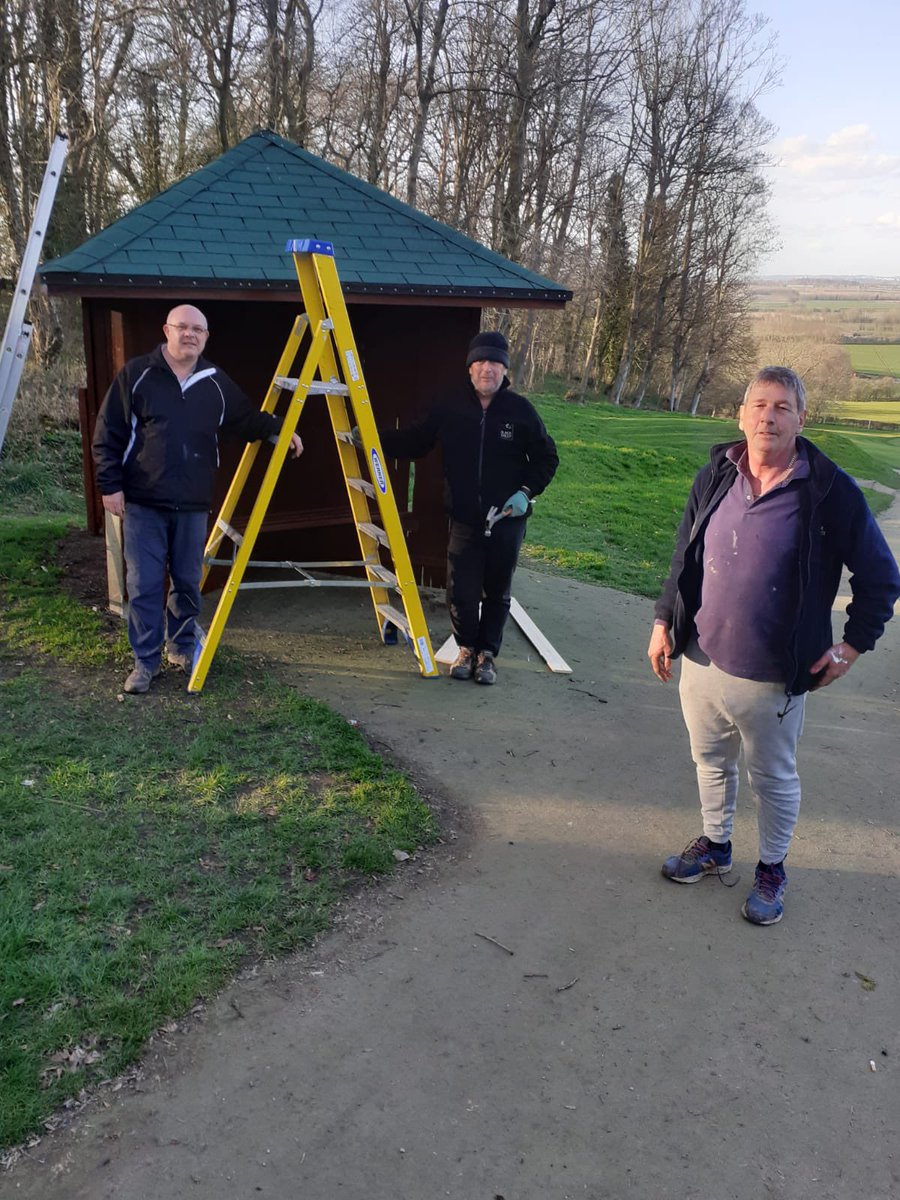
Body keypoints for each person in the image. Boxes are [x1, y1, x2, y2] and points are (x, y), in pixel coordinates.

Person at [648, 366, 900, 925]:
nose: (768, 415)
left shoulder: (828, 488)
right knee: (709, 761)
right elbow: (685, 555)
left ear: (801, 419)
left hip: (774, 675)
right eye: (759, 404)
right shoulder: (716, 472)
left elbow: (881, 577)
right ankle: (715, 847)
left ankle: (773, 869)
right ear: (741, 414)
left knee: (773, 777)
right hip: (701, 658)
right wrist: (665, 620)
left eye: (782, 406)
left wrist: (852, 646)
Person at [92, 304, 303, 695]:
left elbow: (246, 419)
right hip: (143, 502)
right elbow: (108, 433)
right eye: (182, 327)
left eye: (198, 330)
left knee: (188, 581)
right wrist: (110, 486)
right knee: (144, 584)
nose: (190, 334)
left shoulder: (215, 381)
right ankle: (145, 662)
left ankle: (182, 647)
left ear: (205, 337)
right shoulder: (138, 375)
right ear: (166, 331)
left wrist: (280, 429)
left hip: (192, 503)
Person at [376, 330, 559, 685]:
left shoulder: (520, 411)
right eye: (480, 362)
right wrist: (372, 438)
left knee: (496, 589)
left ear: (505, 371)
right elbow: (416, 440)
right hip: (464, 518)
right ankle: (465, 649)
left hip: (506, 519)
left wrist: (524, 492)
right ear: (470, 368)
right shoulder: (450, 405)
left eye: (495, 362)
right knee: (460, 589)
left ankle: (487, 655)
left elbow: (546, 458)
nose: (487, 369)